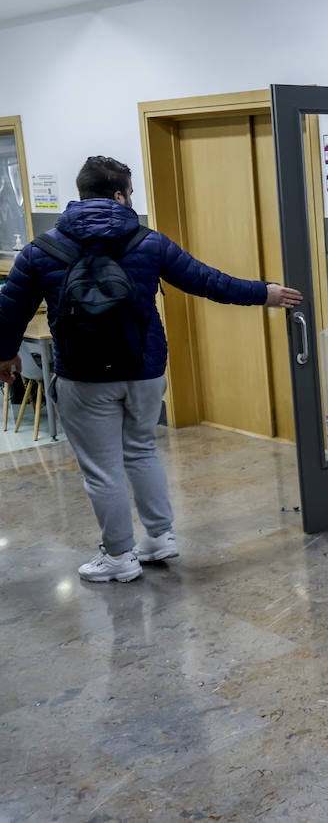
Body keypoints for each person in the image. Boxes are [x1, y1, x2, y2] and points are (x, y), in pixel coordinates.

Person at [0, 156, 301, 582]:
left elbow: (10, 312)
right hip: (144, 368)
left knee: (102, 468)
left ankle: (119, 557)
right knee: (140, 448)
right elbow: (208, 281)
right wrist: (263, 293)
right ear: (121, 194)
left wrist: (5, 355)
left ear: (82, 193)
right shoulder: (149, 242)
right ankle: (159, 537)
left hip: (82, 378)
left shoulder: (40, 250)